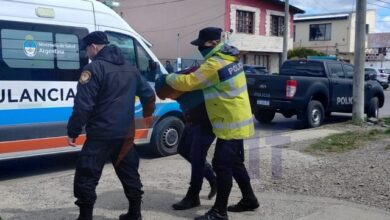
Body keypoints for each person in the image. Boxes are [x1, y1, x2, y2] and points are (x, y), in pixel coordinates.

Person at [165, 27, 259, 220]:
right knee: (236, 163)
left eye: (203, 44)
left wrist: (168, 77)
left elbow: (188, 82)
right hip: (236, 117)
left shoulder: (215, 64)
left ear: (215, 43)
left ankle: (219, 212)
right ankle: (250, 199)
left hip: (230, 121)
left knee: (221, 164)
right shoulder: (230, 56)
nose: (200, 48)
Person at [67, 31, 155, 220]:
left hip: (100, 135)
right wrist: (147, 116)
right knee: (129, 171)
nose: (86, 55)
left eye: (86, 50)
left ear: (94, 47)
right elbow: (148, 94)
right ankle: (135, 213)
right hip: (125, 134)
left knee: (87, 175)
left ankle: (85, 217)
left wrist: (73, 131)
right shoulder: (131, 68)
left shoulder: (93, 70)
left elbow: (83, 106)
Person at [155, 66, 217, 211]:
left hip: (205, 121)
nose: (170, 98)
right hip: (193, 121)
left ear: (174, 88)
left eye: (169, 95)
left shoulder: (190, 88)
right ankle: (212, 177)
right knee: (182, 149)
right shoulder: (177, 86)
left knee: (197, 157)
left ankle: (193, 196)